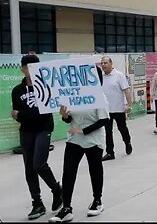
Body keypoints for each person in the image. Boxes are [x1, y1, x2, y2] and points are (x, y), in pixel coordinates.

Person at [49, 66, 109, 222]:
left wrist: (84, 131)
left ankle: (97, 200)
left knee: (95, 170)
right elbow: (69, 119)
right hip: (74, 140)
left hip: (93, 140)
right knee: (68, 172)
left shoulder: (99, 96)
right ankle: (66, 208)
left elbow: (104, 120)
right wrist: (64, 116)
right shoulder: (73, 94)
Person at [11, 54, 63, 220]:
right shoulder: (17, 91)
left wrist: (22, 115)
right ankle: (37, 203)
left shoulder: (46, 87)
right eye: (28, 67)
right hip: (26, 131)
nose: (31, 70)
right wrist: (22, 115)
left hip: (43, 128)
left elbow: (43, 113)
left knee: (38, 164)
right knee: (29, 168)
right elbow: (15, 113)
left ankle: (57, 190)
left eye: (34, 67)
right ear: (23, 68)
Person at [100, 56, 133, 161]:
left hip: (118, 108)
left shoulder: (119, 75)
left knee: (122, 128)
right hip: (106, 110)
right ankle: (110, 152)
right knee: (107, 131)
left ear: (111, 63)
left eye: (105, 63)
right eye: (102, 63)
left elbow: (126, 91)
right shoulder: (101, 77)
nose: (103, 65)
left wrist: (129, 105)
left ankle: (127, 142)